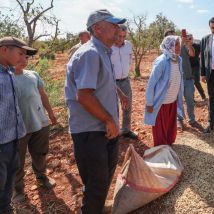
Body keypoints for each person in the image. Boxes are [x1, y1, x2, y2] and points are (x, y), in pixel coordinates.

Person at [64, 9, 126, 213]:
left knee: (103, 179)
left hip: (105, 128)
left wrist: (120, 96)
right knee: (96, 183)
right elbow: (84, 96)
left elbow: (101, 83)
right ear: (98, 29)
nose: (118, 29)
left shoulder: (103, 52)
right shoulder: (90, 53)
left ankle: (96, 208)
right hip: (91, 131)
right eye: (114, 25)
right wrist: (109, 120)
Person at [12, 54, 58, 203]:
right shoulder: (6, 78)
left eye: (26, 58)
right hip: (17, 129)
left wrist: (50, 112)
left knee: (40, 153)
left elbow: (42, 94)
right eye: (20, 57)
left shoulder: (33, 75)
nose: (24, 60)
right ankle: (17, 190)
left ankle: (41, 176)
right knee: (17, 160)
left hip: (40, 123)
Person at [0, 36, 36, 214]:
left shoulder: (9, 73)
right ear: (4, 49)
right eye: (20, 53)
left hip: (14, 139)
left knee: (8, 181)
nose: (24, 59)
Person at [144, 35, 184, 146]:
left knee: (170, 125)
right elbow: (151, 84)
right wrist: (149, 103)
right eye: (175, 44)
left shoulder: (179, 60)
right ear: (168, 46)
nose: (178, 47)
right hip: (161, 102)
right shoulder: (161, 61)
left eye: (179, 44)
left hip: (172, 100)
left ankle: (168, 145)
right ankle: (161, 149)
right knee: (160, 127)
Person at [111, 24, 138, 140]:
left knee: (127, 106)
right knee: (112, 107)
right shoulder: (109, 46)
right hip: (111, 82)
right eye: (118, 36)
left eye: (123, 36)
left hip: (125, 80)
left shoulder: (128, 45)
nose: (121, 39)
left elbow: (129, 61)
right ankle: (114, 132)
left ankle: (126, 130)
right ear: (114, 34)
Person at [177, 31, 203, 131]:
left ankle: (192, 120)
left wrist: (189, 45)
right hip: (178, 79)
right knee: (179, 102)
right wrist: (181, 42)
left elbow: (192, 54)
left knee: (190, 101)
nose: (186, 38)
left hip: (188, 78)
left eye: (188, 37)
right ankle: (180, 120)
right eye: (184, 37)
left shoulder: (185, 46)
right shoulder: (175, 46)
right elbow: (175, 54)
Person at [188, 34, 207, 101]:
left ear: (192, 38)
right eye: (188, 38)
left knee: (196, 82)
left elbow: (202, 53)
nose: (189, 39)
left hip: (196, 66)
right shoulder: (184, 47)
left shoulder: (197, 46)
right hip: (188, 67)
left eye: (190, 38)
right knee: (190, 83)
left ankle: (203, 96)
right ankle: (192, 99)